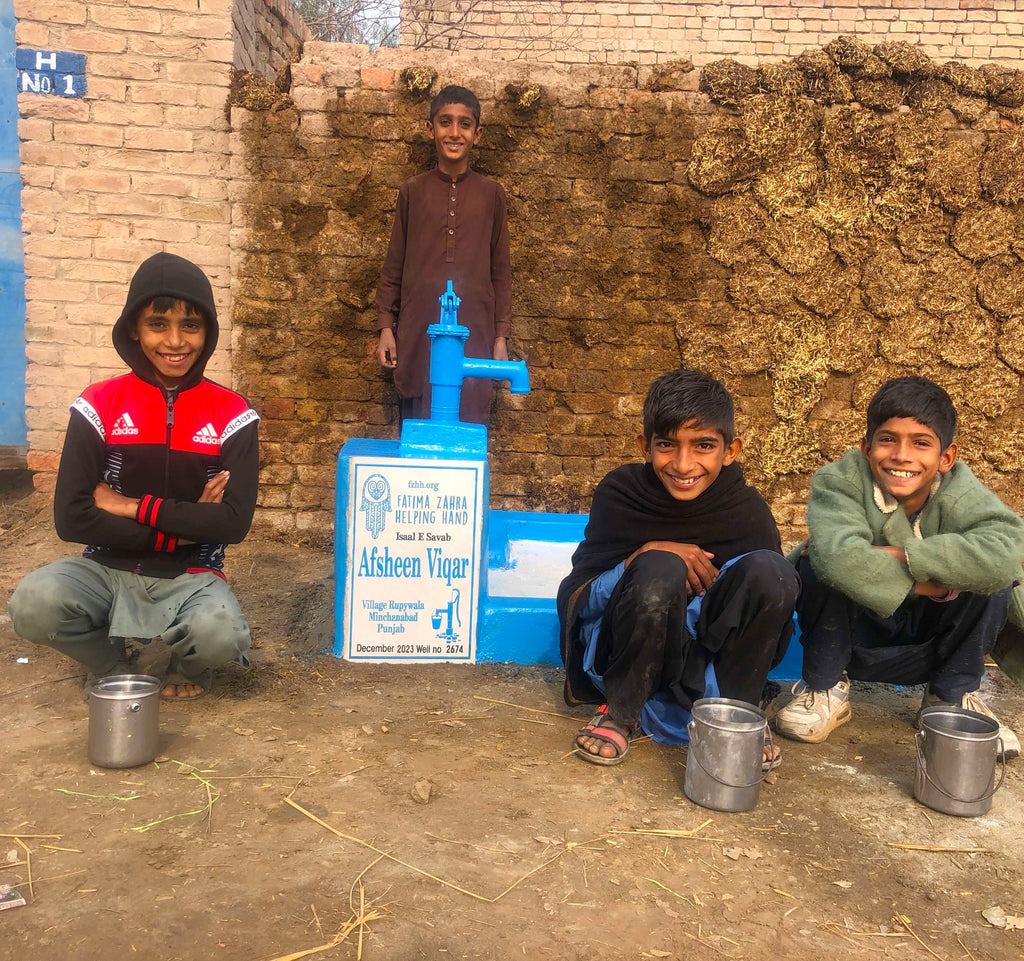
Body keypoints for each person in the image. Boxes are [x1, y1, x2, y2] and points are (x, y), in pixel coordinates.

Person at [8, 253, 259, 700]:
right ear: (133, 330)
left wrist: (130, 506)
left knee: (222, 636)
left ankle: (186, 664)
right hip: (105, 567)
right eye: (158, 324)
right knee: (33, 603)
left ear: (209, 333)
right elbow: (72, 518)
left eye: (191, 326)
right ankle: (110, 662)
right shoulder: (98, 404)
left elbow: (233, 524)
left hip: (193, 573)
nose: (175, 341)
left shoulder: (232, 413)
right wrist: (184, 526)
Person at [556, 369, 799, 766]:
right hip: (629, 655)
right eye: (667, 445)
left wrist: (714, 596)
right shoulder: (623, 494)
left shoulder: (746, 512)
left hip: (710, 666)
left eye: (703, 446)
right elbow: (581, 599)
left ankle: (736, 713)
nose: (684, 465)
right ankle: (621, 712)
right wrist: (645, 556)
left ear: (731, 450)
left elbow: (766, 617)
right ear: (645, 446)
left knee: (772, 572)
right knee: (659, 567)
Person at [774, 376, 1024, 757]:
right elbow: (837, 557)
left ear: (946, 457)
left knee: (993, 580)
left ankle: (950, 696)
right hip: (851, 639)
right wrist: (938, 585)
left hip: (928, 645)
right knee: (816, 562)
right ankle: (825, 689)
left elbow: (1007, 552)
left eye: (921, 443)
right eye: (888, 439)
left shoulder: (959, 491)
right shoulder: (838, 481)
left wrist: (905, 555)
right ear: (866, 446)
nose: (902, 455)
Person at [374, 84, 512, 425]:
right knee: (419, 419)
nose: (454, 133)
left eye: (464, 124)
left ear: (477, 134)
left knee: (468, 418)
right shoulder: (413, 192)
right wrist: (385, 328)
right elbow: (394, 266)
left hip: (475, 333)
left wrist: (500, 338)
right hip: (418, 331)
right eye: (445, 122)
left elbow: (501, 274)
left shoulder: (491, 195)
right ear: (430, 129)